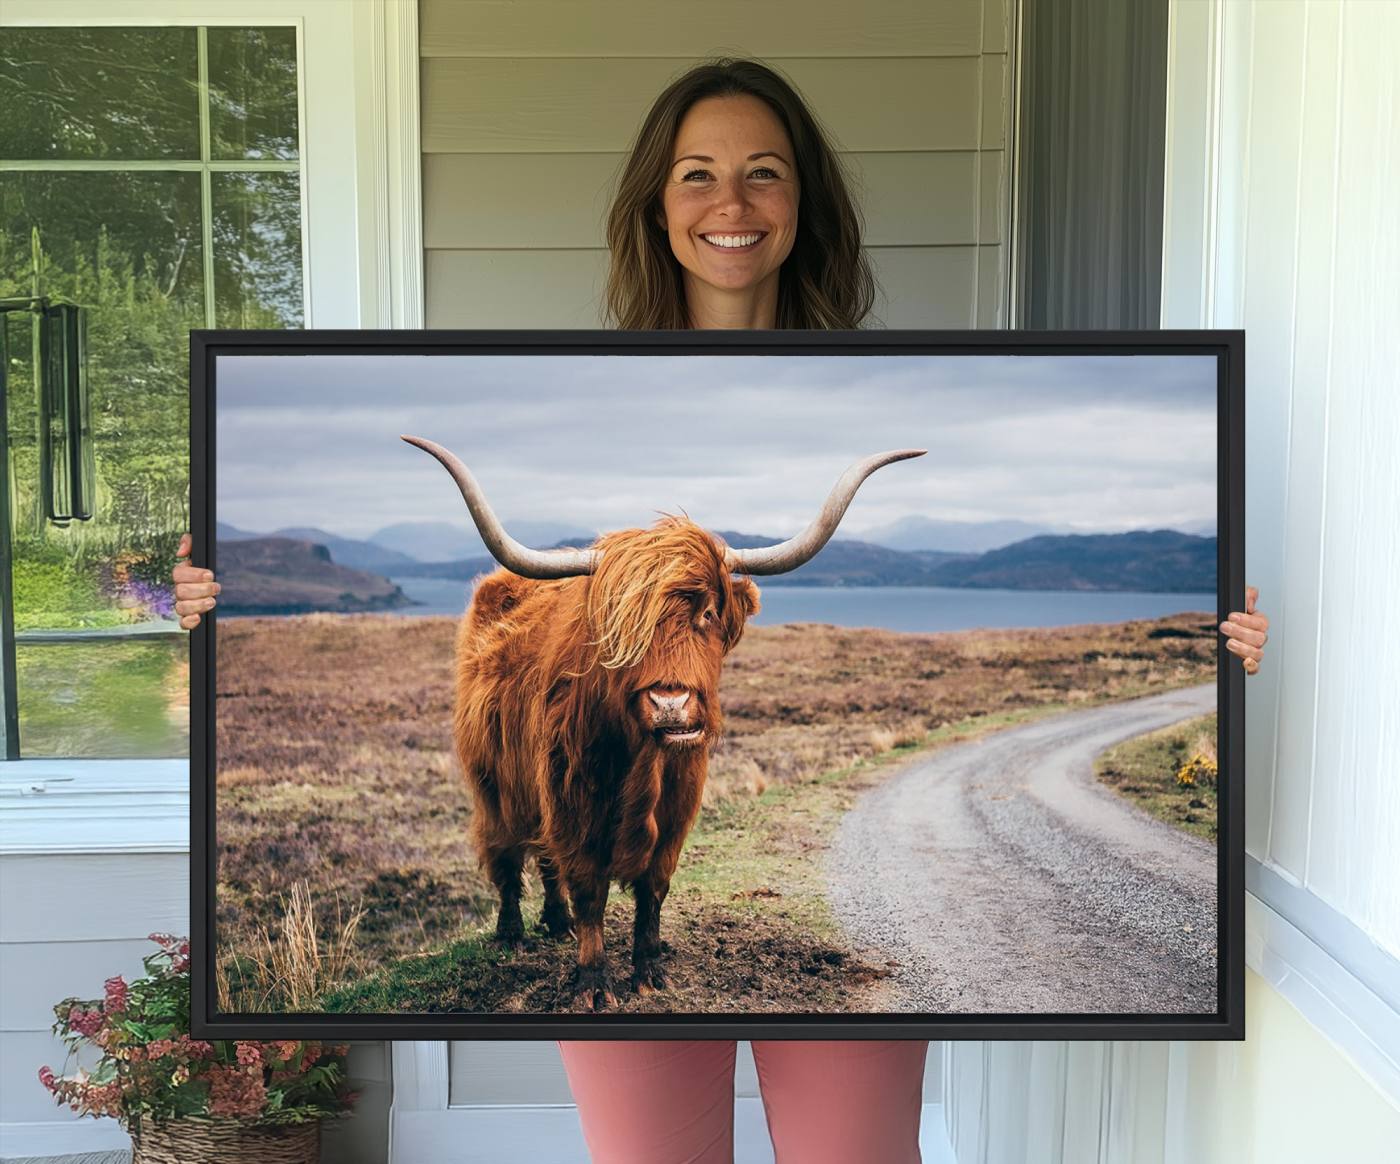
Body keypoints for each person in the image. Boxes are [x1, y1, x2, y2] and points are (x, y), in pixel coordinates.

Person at [171, 57, 1270, 1164]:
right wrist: (199, 610)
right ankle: (583, 918)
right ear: (656, 203)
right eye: (696, 174)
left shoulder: (899, 373)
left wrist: (1224, 653)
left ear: (805, 203)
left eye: (764, 173)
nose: (729, 205)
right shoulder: (559, 372)